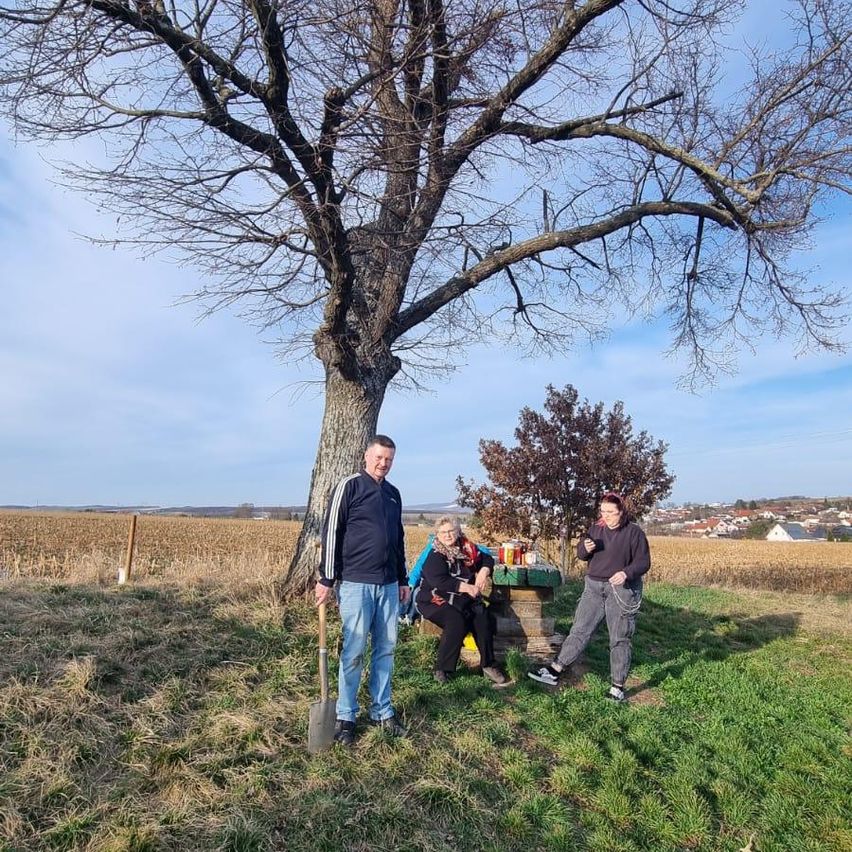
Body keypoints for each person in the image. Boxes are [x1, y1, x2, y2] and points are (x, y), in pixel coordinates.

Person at [315, 435, 410, 746]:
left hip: (388, 586)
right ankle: (346, 717)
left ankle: (382, 711)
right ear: (367, 456)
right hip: (356, 583)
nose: (384, 463)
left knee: (386, 649)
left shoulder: (394, 495)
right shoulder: (350, 486)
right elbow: (331, 531)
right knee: (354, 651)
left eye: (389, 459)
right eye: (379, 457)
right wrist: (327, 579)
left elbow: (398, 540)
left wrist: (403, 579)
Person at [528, 492, 649, 702]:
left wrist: (626, 573)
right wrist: (585, 547)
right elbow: (581, 554)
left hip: (621, 590)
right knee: (580, 630)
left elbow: (643, 563)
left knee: (619, 637)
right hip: (593, 587)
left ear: (621, 512)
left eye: (611, 512)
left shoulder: (634, 533)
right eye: (603, 511)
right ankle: (556, 669)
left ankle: (617, 687)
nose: (606, 516)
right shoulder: (596, 528)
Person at [415, 515, 508, 686]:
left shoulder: (467, 550)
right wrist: (467, 588)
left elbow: (486, 558)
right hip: (435, 599)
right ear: (437, 535)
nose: (447, 535)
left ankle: (488, 664)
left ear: (458, 531)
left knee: (482, 617)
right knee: (456, 620)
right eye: (443, 532)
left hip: (463, 599)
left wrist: (483, 571)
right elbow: (440, 582)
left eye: (451, 531)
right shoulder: (435, 556)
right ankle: (443, 668)